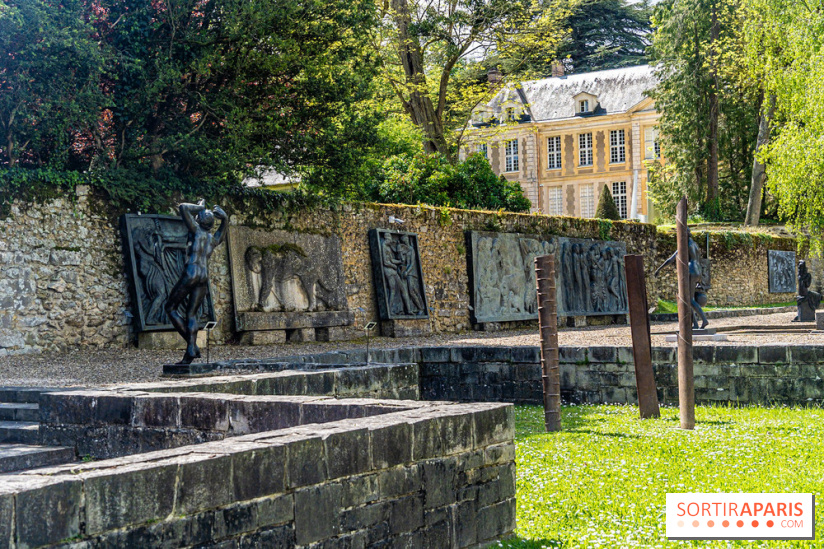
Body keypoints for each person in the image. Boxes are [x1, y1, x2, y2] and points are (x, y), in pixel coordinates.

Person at [164, 199, 227, 364]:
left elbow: (183, 207)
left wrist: (200, 207)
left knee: (170, 308)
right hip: (203, 277)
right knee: (191, 314)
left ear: (198, 220)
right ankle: (190, 352)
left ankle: (192, 346)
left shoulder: (196, 231)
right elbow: (222, 232)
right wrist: (225, 218)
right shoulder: (212, 239)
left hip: (191, 273)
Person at [654, 228, 709, 329]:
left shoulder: (684, 244)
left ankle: (704, 320)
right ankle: (695, 324)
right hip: (697, 270)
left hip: (691, 270)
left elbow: (671, 259)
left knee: (689, 299)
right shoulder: (694, 244)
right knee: (687, 298)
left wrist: (659, 269)